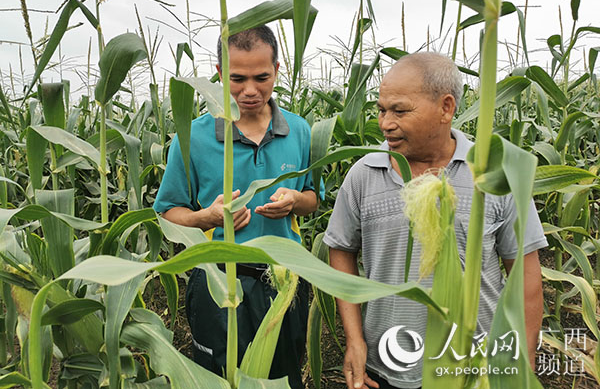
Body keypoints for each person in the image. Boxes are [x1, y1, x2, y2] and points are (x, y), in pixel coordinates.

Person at [323, 52, 547, 389]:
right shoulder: (364, 174)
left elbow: (525, 280)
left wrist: (522, 365)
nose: (385, 123)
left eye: (400, 110)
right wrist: (354, 340)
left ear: (446, 107)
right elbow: (341, 249)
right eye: (381, 110)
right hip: (386, 365)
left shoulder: (496, 173)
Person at [153, 25, 319, 388]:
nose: (249, 91)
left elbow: (312, 198)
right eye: (237, 79)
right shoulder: (192, 136)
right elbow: (168, 213)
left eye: (262, 77)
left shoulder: (300, 130)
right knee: (219, 378)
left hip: (284, 281)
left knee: (282, 377)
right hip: (217, 280)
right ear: (217, 75)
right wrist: (206, 217)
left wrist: (294, 202)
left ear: (278, 69)